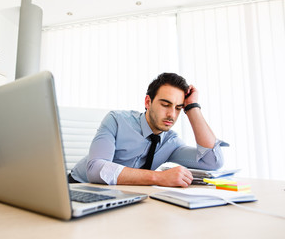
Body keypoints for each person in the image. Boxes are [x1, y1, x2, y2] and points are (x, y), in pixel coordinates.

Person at [68, 72, 228, 187]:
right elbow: (95, 169)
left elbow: (212, 161)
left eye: (178, 108)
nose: (172, 114)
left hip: (124, 195)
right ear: (147, 102)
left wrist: (192, 107)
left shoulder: (171, 142)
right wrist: (158, 177)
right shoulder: (117, 120)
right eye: (165, 105)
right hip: (79, 187)